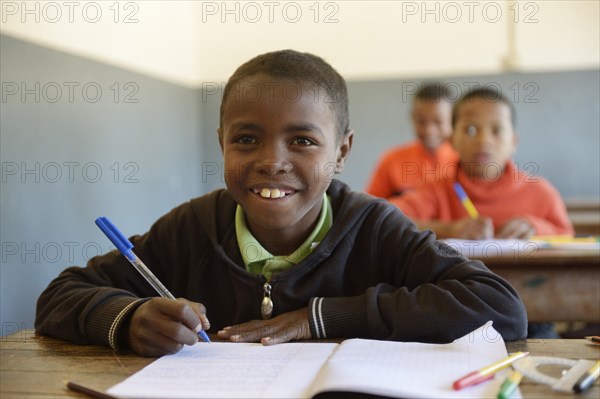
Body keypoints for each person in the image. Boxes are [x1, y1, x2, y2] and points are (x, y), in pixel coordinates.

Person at [35, 50, 527, 357]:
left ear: (342, 152)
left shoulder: (374, 226)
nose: (272, 162)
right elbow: (59, 295)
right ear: (221, 142)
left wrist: (320, 318)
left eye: (303, 142)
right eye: (246, 139)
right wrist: (127, 320)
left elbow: (500, 309)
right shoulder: (191, 227)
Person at [391, 87, 574, 239]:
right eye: (470, 129)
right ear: (452, 139)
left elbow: (567, 236)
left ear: (513, 142)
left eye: (497, 130)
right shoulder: (436, 189)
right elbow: (390, 219)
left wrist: (535, 227)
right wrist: (450, 230)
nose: (483, 140)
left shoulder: (541, 193)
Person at [365, 83, 458, 198]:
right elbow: (372, 207)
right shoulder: (391, 160)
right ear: (412, 118)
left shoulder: (463, 161)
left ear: (454, 120)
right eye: (421, 121)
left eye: (438, 121)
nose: (429, 130)